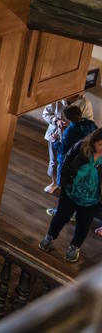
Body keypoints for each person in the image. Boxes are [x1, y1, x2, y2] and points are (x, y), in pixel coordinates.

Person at [40, 128, 102, 262]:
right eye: (101, 145)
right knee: (61, 216)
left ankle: (74, 247)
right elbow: (66, 162)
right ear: (93, 141)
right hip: (70, 192)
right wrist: (62, 181)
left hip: (91, 200)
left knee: (83, 224)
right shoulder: (81, 147)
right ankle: (49, 237)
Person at [43, 93, 94, 193]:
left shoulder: (85, 103)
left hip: (74, 139)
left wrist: (73, 126)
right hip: (55, 134)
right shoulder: (57, 98)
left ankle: (64, 185)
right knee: (53, 160)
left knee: (69, 163)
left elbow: (89, 121)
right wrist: (56, 121)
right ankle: (54, 183)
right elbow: (46, 113)